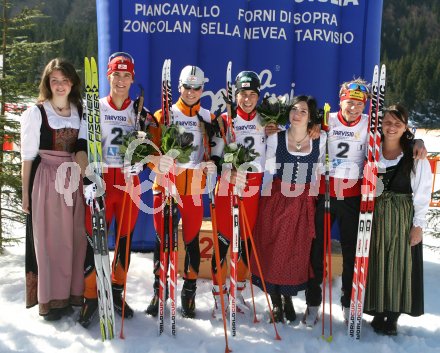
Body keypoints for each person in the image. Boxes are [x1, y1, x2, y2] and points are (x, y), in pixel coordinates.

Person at [304, 79, 427, 327]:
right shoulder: (327, 120)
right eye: (350, 102)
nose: (353, 108)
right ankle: (313, 303)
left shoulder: (370, 125)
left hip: (352, 196)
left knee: (352, 252)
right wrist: (315, 126)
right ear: (341, 100)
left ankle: (349, 304)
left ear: (365, 107)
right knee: (316, 250)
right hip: (326, 192)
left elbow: (399, 133)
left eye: (359, 104)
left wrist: (418, 142)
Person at [75, 52, 155, 327]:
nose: (120, 81)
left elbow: (151, 152)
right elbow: (81, 147)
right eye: (116, 75)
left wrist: (142, 163)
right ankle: (90, 295)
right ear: (108, 76)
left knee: (124, 240)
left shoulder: (141, 113)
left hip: (128, 183)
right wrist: (88, 178)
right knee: (93, 240)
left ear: (132, 79)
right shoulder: (94, 108)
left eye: (126, 75)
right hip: (101, 180)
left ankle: (117, 292)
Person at [145, 65, 217, 319]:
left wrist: (213, 164)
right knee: (162, 240)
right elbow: (148, 152)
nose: (191, 92)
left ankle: (188, 293)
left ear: (202, 90)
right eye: (186, 86)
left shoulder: (208, 117)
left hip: (194, 188)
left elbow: (218, 151)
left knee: (191, 239)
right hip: (165, 186)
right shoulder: (164, 114)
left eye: (196, 88)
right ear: (178, 87)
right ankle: (159, 291)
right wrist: (157, 161)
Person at [21, 58, 87, 321]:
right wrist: (25, 193)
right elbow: (27, 157)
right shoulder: (36, 112)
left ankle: (73, 294)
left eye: (65, 80)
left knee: (75, 240)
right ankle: (51, 300)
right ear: (48, 83)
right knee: (51, 241)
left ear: (73, 82)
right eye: (54, 80)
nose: (60, 86)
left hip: (74, 178)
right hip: (47, 179)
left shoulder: (80, 110)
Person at [250, 95, 325, 323]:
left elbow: (319, 171)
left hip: (302, 200)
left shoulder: (320, 140)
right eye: (294, 109)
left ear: (310, 117)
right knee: (274, 250)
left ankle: (287, 298)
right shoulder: (277, 138)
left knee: (295, 253)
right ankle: (275, 301)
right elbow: (268, 168)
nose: (297, 114)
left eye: (303, 111)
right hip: (278, 196)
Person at [209, 71, 274, 318]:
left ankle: (237, 292)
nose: (247, 99)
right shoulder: (224, 120)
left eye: (252, 94)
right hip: (229, 183)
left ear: (258, 96)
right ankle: (219, 296)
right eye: (243, 94)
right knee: (223, 242)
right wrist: (228, 170)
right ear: (235, 95)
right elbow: (214, 156)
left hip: (254, 184)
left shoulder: (266, 120)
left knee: (245, 243)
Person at [364, 104, 432, 335]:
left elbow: (423, 192)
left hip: (402, 216)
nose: (392, 127)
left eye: (398, 123)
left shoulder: (414, 154)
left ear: (405, 127)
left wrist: (418, 226)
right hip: (375, 214)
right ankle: (377, 310)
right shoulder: (372, 149)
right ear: (381, 125)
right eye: (388, 122)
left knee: (399, 264)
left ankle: (392, 316)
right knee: (377, 261)